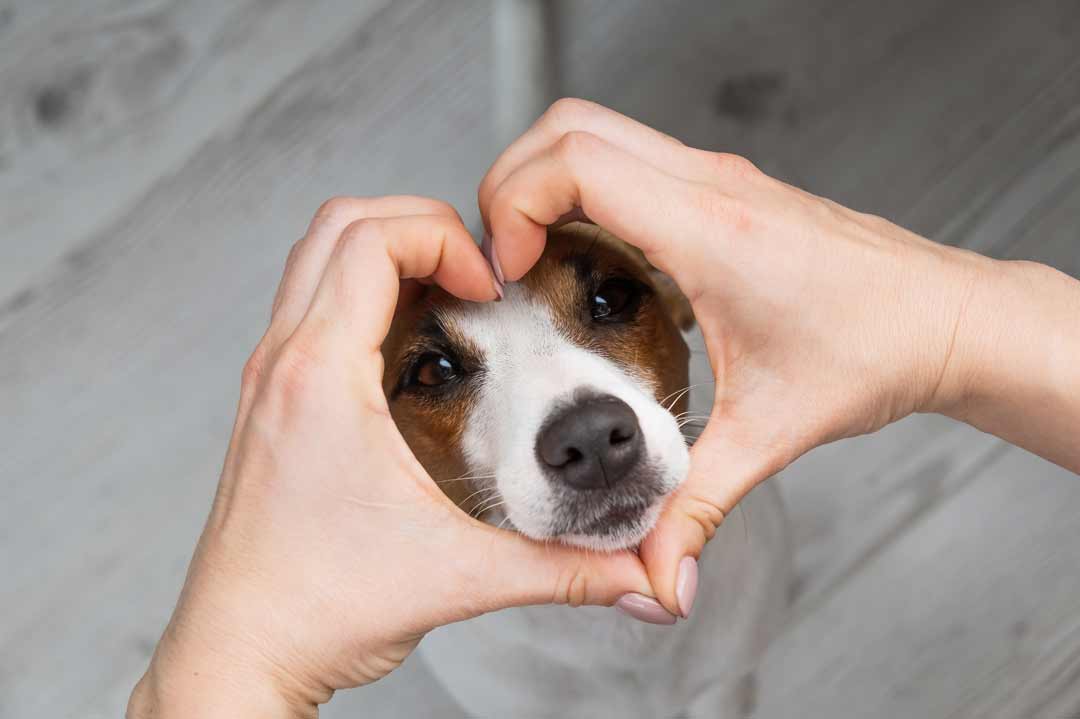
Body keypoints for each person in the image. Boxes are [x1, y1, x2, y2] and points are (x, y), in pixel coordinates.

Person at [127, 100, 1080, 718]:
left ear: (682, 302)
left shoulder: (749, 538)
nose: (581, 423)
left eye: (610, 303)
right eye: (435, 373)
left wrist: (950, 329)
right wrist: (242, 657)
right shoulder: (470, 655)